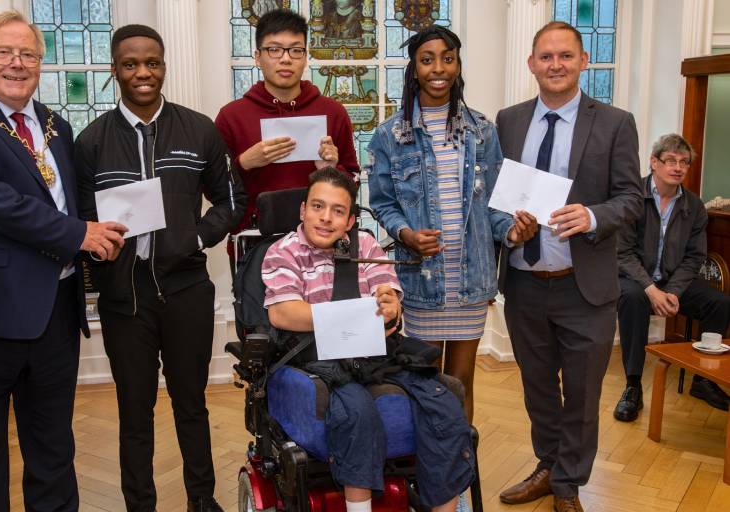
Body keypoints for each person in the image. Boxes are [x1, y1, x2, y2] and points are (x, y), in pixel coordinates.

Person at [0, 10, 126, 511]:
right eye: (4, 53)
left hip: (53, 311)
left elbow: (70, 199)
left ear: (40, 63)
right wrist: (81, 234)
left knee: (54, 449)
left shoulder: (55, 125)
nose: (17, 64)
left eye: (28, 54)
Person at [75, 25, 246, 512]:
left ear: (164, 65)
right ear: (115, 70)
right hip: (124, 298)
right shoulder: (91, 142)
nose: (142, 73)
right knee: (134, 410)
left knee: (192, 403)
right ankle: (139, 503)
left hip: (186, 289)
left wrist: (195, 236)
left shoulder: (198, 129)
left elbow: (232, 201)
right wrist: (97, 245)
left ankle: (201, 499)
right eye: (130, 64)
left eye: (152, 62)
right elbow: (80, 221)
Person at [261, 167, 474, 512]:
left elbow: (387, 295)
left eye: (338, 211)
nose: (326, 218)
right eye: (318, 206)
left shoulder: (367, 246)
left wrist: (390, 306)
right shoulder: (283, 252)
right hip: (317, 358)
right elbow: (283, 313)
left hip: (376, 354)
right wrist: (352, 313)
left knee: (443, 402)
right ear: (303, 210)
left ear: (349, 221)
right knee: (355, 412)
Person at [495, 21, 642, 512]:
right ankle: (547, 466)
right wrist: (508, 228)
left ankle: (568, 486)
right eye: (545, 56)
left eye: (565, 56)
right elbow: (497, 199)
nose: (555, 65)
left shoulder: (616, 122)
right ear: (532, 63)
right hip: (524, 281)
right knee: (538, 386)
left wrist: (594, 214)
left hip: (586, 287)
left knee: (580, 395)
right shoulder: (509, 120)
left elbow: (632, 199)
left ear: (583, 61)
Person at [366, 25, 537, 424]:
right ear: (414, 69)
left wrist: (512, 231)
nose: (438, 68)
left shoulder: (482, 131)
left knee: (461, 381)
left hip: (471, 281)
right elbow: (382, 204)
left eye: (448, 58)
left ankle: (458, 475)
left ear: (458, 65)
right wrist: (406, 234)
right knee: (425, 381)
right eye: (427, 60)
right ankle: (427, 473)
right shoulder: (390, 136)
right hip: (423, 282)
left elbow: (497, 206)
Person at [215, 9, 359, 254]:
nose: (285, 59)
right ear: (258, 57)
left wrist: (332, 169)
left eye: (295, 50)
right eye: (274, 49)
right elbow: (216, 192)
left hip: (324, 241)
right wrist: (244, 164)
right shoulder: (232, 116)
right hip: (255, 242)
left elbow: (353, 185)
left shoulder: (333, 112)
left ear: (305, 57)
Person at [615, 134, 730, 421]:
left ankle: (703, 381)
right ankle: (632, 386)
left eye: (684, 162)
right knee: (632, 299)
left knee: (720, 303)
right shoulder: (631, 197)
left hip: (673, 282)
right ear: (654, 162)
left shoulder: (694, 206)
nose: (677, 167)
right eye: (670, 160)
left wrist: (674, 292)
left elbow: (694, 257)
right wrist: (651, 290)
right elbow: (623, 253)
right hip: (634, 278)